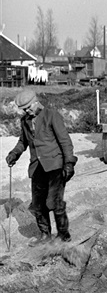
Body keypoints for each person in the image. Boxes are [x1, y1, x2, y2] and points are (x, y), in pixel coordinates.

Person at [5, 89, 77, 245]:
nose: (27, 112)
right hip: (37, 167)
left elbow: (65, 141)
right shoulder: (25, 121)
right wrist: (14, 154)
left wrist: (69, 163)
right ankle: (45, 235)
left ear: (36, 102)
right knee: (38, 205)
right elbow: (23, 142)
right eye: (24, 110)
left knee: (54, 203)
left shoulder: (52, 116)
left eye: (28, 108)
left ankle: (64, 235)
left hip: (55, 166)